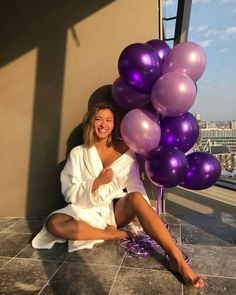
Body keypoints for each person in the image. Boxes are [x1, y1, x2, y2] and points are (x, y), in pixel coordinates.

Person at [32, 101, 204, 288]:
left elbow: (135, 185)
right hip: (86, 209)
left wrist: (144, 214)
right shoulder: (78, 153)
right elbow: (69, 193)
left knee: (136, 198)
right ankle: (113, 235)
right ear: (91, 122)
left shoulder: (126, 151)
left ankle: (176, 259)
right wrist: (97, 182)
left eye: (108, 120)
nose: (103, 124)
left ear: (114, 125)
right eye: (98, 119)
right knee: (53, 223)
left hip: (115, 211)